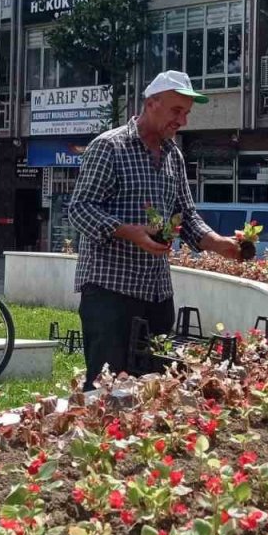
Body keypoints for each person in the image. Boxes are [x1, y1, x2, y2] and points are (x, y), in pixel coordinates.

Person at [68, 70, 243, 391]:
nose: (183, 121)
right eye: (177, 111)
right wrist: (129, 231)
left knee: (156, 388)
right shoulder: (110, 147)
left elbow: (186, 215)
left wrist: (220, 244)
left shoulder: (174, 155)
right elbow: (80, 209)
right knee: (108, 389)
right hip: (111, 293)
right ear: (152, 103)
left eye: (187, 113)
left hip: (157, 293)